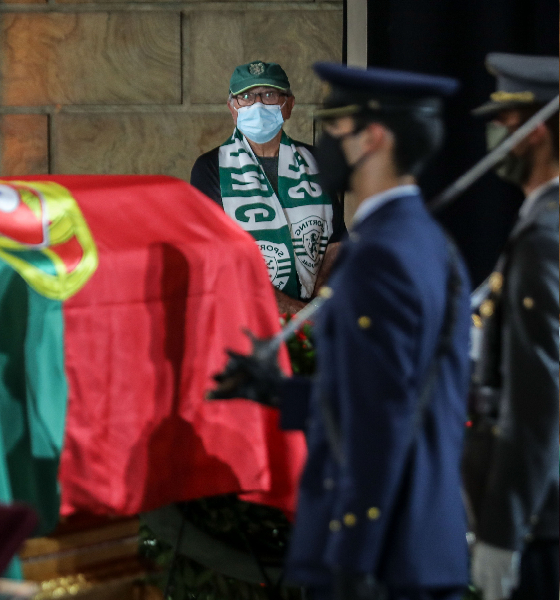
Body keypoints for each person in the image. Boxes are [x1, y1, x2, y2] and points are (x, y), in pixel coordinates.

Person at [210, 63, 472, 599]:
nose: (324, 141)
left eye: (335, 127)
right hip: (409, 545)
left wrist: (350, 555)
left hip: (382, 553)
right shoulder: (425, 239)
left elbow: (381, 423)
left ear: (371, 138)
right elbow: (376, 394)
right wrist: (282, 394)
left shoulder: (380, 255)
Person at [467, 53, 559, 600]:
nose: (497, 137)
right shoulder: (541, 223)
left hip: (539, 518)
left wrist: (503, 530)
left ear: (535, 131)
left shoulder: (544, 236)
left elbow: (535, 396)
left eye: (504, 123)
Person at [190, 60, 346, 314]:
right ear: (232, 108)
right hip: (245, 317)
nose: (258, 104)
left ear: (289, 105)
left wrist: (317, 309)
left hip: (314, 319)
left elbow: (336, 242)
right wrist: (298, 313)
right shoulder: (211, 167)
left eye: (269, 95)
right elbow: (218, 256)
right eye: (246, 96)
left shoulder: (317, 161)